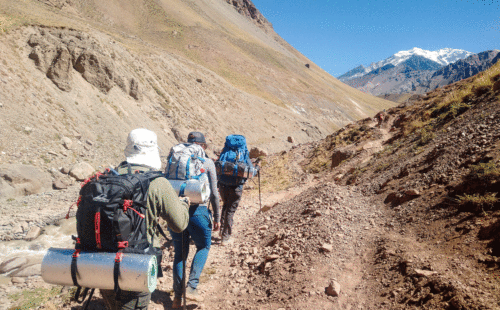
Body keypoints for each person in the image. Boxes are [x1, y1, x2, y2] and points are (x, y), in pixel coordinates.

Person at [99, 128, 190, 310]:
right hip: (137, 264)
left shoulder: (108, 177)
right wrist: (185, 204)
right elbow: (179, 224)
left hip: (103, 263)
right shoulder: (158, 183)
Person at [169, 131, 221, 308]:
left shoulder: (176, 162)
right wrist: (217, 217)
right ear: (203, 146)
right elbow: (214, 193)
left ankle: (177, 298)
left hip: (176, 211)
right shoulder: (207, 162)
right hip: (198, 211)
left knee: (180, 253)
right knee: (204, 245)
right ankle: (192, 287)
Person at [217, 135, 258, 246]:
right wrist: (257, 168)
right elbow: (251, 172)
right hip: (236, 187)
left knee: (225, 205)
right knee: (230, 210)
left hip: (222, 185)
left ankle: (221, 231)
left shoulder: (224, 152)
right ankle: (226, 238)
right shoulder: (243, 154)